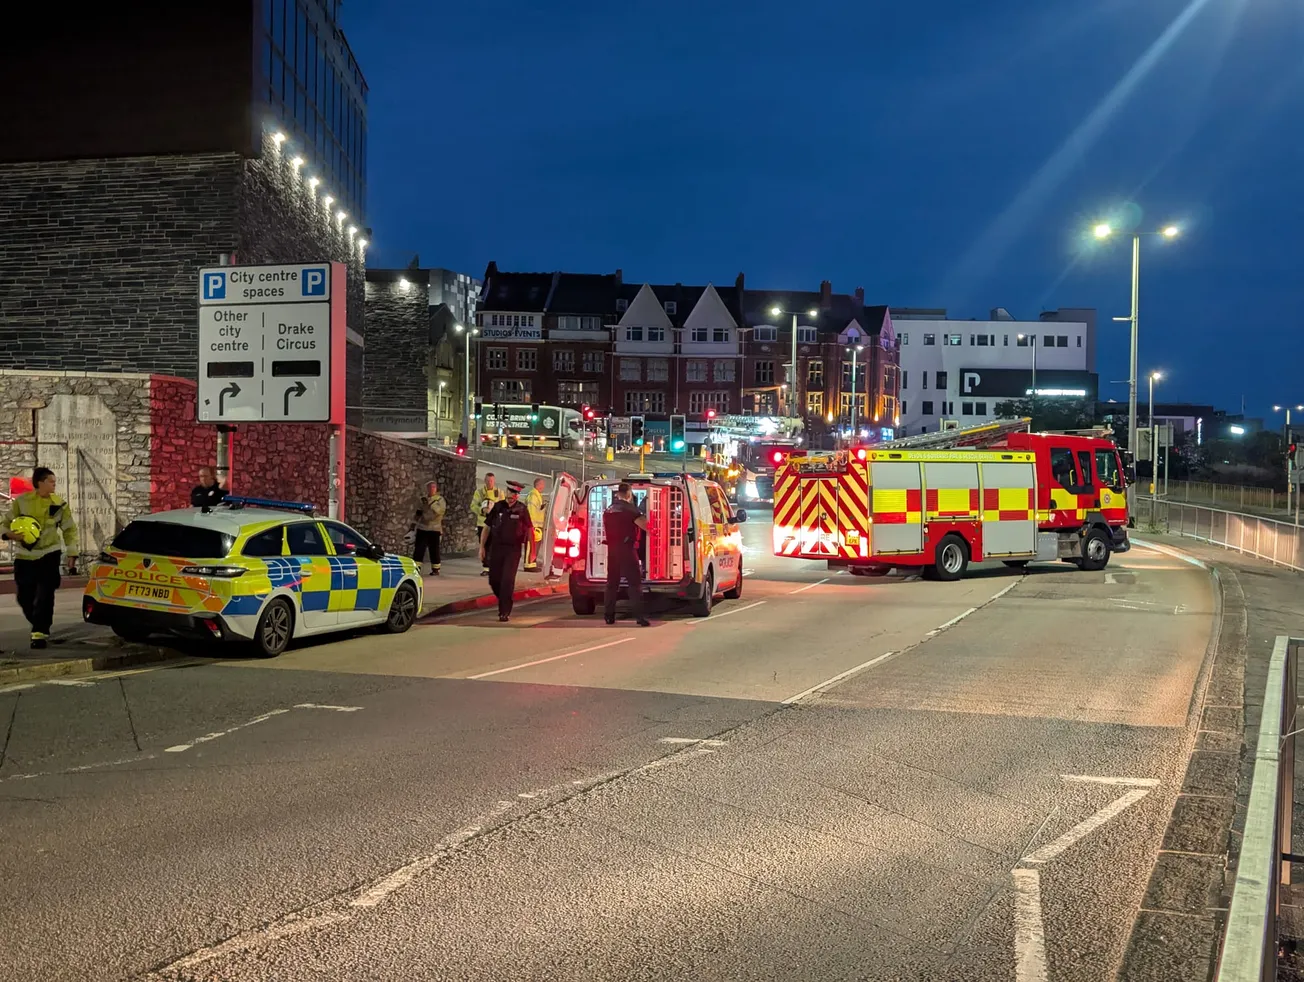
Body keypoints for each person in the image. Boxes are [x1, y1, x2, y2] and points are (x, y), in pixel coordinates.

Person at [3, 467, 79, 649]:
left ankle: (39, 633)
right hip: (25, 556)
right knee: (24, 597)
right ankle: (39, 622)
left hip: (49, 554)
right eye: (51, 481)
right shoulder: (22, 502)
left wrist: (72, 553)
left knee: (45, 594)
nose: (54, 484)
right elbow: (5, 523)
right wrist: (10, 535)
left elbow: (69, 529)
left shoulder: (59, 504)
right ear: (40, 483)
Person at [481, 481, 531, 622]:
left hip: (513, 550)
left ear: (517, 495)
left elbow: (529, 531)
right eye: (511, 493)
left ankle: (504, 611)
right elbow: (487, 527)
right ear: (507, 492)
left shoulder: (522, 509)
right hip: (497, 548)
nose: (512, 496)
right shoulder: (498, 507)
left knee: (507, 580)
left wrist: (531, 552)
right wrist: (482, 547)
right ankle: (504, 599)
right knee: (494, 580)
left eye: (515, 494)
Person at [603, 482, 650, 627]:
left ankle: (609, 616)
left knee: (612, 584)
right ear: (629, 494)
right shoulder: (631, 510)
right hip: (627, 550)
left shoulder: (609, 510)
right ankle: (639, 617)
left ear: (618, 494)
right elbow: (646, 526)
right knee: (634, 584)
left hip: (612, 550)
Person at [470, 473, 504, 575]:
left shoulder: (499, 492)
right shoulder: (479, 492)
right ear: (485, 481)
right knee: (484, 546)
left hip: (495, 524)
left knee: (495, 546)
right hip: (482, 523)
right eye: (488, 480)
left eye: (491, 481)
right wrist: (482, 510)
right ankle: (486, 568)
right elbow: (473, 506)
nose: (490, 483)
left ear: (494, 481)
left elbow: (503, 507)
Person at [413, 480, 446, 575]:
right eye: (430, 487)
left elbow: (440, 512)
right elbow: (418, 512)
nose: (431, 489)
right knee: (419, 549)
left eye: (433, 487)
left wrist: (431, 503)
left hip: (434, 529)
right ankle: (416, 567)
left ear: (436, 489)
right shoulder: (423, 499)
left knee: (434, 549)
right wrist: (413, 524)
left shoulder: (440, 500)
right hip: (422, 528)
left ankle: (436, 569)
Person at [523, 477, 547, 572]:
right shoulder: (533, 495)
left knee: (534, 545)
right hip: (533, 526)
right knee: (530, 545)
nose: (544, 486)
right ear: (538, 485)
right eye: (542, 484)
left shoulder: (537, 495)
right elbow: (531, 511)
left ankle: (532, 562)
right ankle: (529, 565)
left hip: (535, 526)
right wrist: (531, 526)